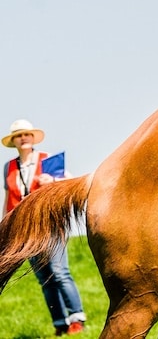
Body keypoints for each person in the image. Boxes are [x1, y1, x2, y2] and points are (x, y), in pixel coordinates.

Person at [3, 119, 87, 336]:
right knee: (43, 277)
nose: (24, 138)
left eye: (27, 135)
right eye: (19, 135)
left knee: (59, 272)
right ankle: (60, 323)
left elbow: (68, 182)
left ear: (32, 139)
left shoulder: (46, 159)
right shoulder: (9, 167)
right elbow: (8, 198)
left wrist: (51, 181)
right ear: (14, 141)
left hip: (49, 224)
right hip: (25, 229)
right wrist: (6, 224)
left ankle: (77, 318)